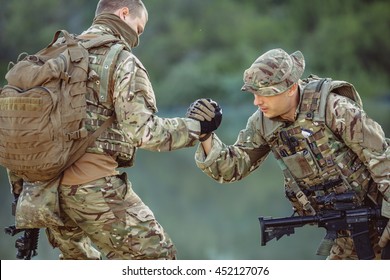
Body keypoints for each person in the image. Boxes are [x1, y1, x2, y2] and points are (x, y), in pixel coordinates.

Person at [7, 0, 222, 260]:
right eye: (139, 29)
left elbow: (18, 128)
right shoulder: (121, 59)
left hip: (40, 194)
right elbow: (144, 132)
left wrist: (19, 190)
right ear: (123, 14)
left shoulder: (53, 54)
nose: (137, 38)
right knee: (157, 259)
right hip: (91, 187)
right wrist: (197, 127)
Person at [190, 48, 390, 259]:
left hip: (381, 216)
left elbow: (382, 158)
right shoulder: (262, 123)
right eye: (254, 93)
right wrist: (205, 136)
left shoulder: (335, 108)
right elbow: (232, 168)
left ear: (290, 88)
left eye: (265, 93)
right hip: (348, 230)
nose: (257, 102)